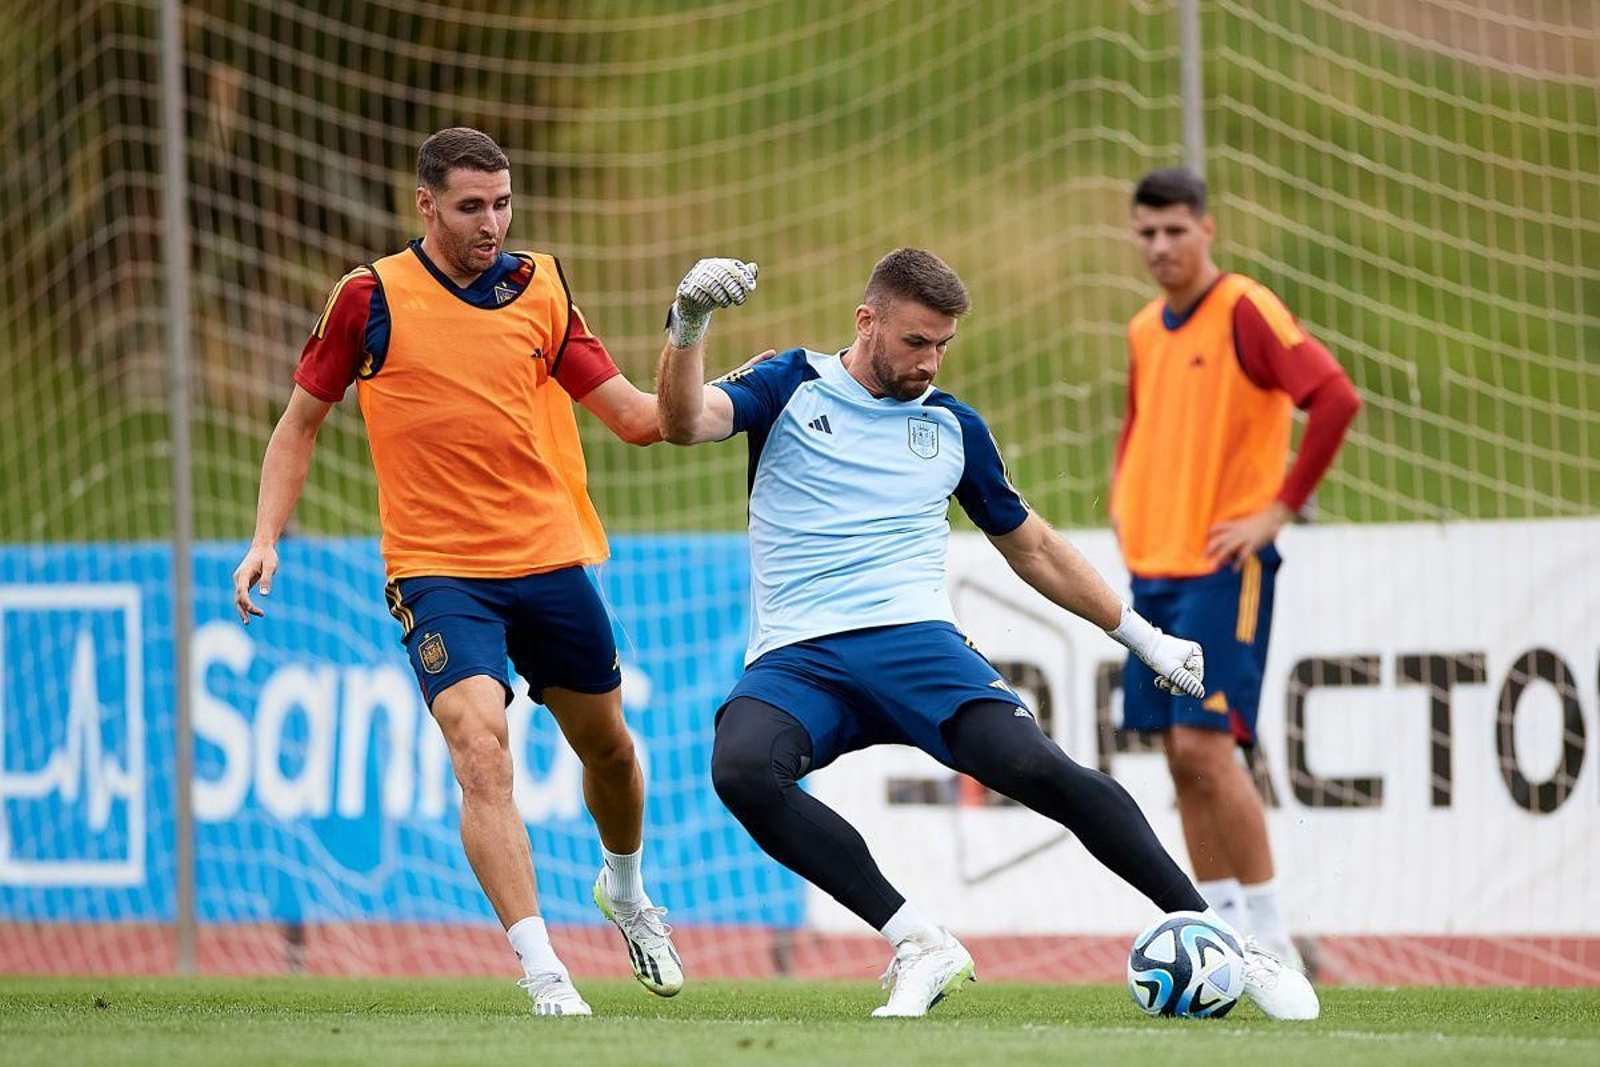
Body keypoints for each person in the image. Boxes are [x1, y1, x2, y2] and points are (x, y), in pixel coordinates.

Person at [654, 249, 1319, 1020]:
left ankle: (1231, 942)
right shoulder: (787, 385)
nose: (930, 362)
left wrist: (1143, 638)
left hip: (916, 645)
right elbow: (681, 421)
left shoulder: (952, 426)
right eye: (916, 342)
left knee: (1042, 769)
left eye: (943, 345)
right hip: (797, 657)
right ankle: (920, 942)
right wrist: (689, 322)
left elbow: (1032, 546)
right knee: (741, 769)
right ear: (866, 321)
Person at [230, 127, 683, 1016]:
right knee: (481, 750)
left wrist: (693, 340)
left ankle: (626, 890)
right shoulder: (369, 297)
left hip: (549, 559)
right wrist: (264, 537)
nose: (492, 223)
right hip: (439, 573)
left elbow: (637, 419)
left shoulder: (540, 287)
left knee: (611, 750)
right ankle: (544, 970)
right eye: (472, 206)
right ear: (426, 204)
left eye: (503, 203)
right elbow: (300, 423)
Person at [1113, 167, 1362, 971]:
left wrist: (1277, 511)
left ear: (1206, 229)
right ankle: (1219, 930)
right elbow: (1139, 428)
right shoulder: (1144, 328)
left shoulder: (1245, 308)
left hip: (1223, 567)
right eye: (1147, 232)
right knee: (1177, 755)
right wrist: (1124, 502)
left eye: (1175, 230)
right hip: (1153, 570)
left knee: (1207, 745)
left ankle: (1276, 939)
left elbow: (1335, 397)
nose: (1160, 246)